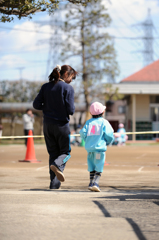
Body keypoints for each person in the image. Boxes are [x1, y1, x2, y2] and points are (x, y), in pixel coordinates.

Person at [33, 64, 77, 189]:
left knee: (53, 153)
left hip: (47, 125)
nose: (71, 81)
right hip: (61, 125)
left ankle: (54, 184)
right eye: (72, 78)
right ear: (66, 74)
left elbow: (36, 105)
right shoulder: (68, 88)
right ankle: (58, 165)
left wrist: (47, 108)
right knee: (65, 152)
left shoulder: (45, 87)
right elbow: (71, 110)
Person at [80, 102, 114, 192]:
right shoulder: (104, 122)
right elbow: (109, 134)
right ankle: (96, 183)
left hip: (90, 148)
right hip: (99, 148)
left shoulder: (88, 122)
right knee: (99, 165)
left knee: (91, 165)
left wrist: (87, 140)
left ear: (90, 113)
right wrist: (108, 141)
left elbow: (82, 133)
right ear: (103, 112)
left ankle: (91, 182)